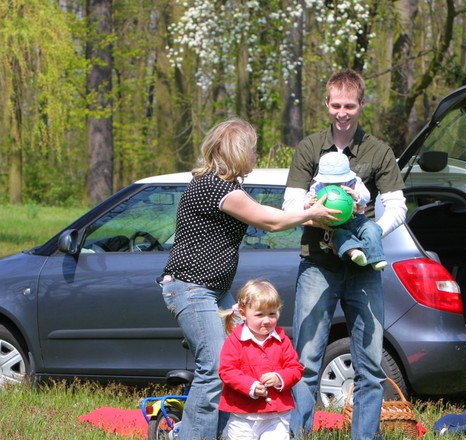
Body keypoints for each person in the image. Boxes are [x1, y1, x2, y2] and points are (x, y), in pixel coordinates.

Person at [159, 117, 340, 440]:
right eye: (253, 150)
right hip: (191, 289)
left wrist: (305, 208)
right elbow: (268, 222)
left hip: (214, 290)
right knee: (214, 368)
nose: (256, 156)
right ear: (238, 152)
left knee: (242, 359)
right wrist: (310, 214)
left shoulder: (229, 188)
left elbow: (267, 211)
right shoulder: (214, 187)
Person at [282, 69, 407, 440]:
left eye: (349, 105)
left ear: (361, 104)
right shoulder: (309, 148)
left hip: (363, 267)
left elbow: (398, 208)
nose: (342, 112)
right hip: (317, 264)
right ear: (326, 104)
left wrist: (369, 232)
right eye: (336, 105)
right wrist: (314, 210)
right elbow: (289, 204)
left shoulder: (378, 151)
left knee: (370, 366)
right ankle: (296, 434)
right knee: (305, 362)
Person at [217, 279, 304, 440]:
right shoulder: (235, 340)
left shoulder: (282, 339)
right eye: (259, 315)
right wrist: (250, 386)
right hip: (242, 415)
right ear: (243, 314)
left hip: (276, 416)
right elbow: (227, 371)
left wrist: (279, 377)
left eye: (272, 314)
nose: (266, 320)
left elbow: (295, 368)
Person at [306, 151, 387, 271]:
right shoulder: (317, 187)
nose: (333, 185)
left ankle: (376, 258)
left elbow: (367, 196)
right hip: (337, 223)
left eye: (338, 182)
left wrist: (355, 194)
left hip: (358, 220)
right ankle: (354, 253)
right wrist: (309, 203)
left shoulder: (354, 182)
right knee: (339, 237)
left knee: (372, 229)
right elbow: (307, 200)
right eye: (328, 183)